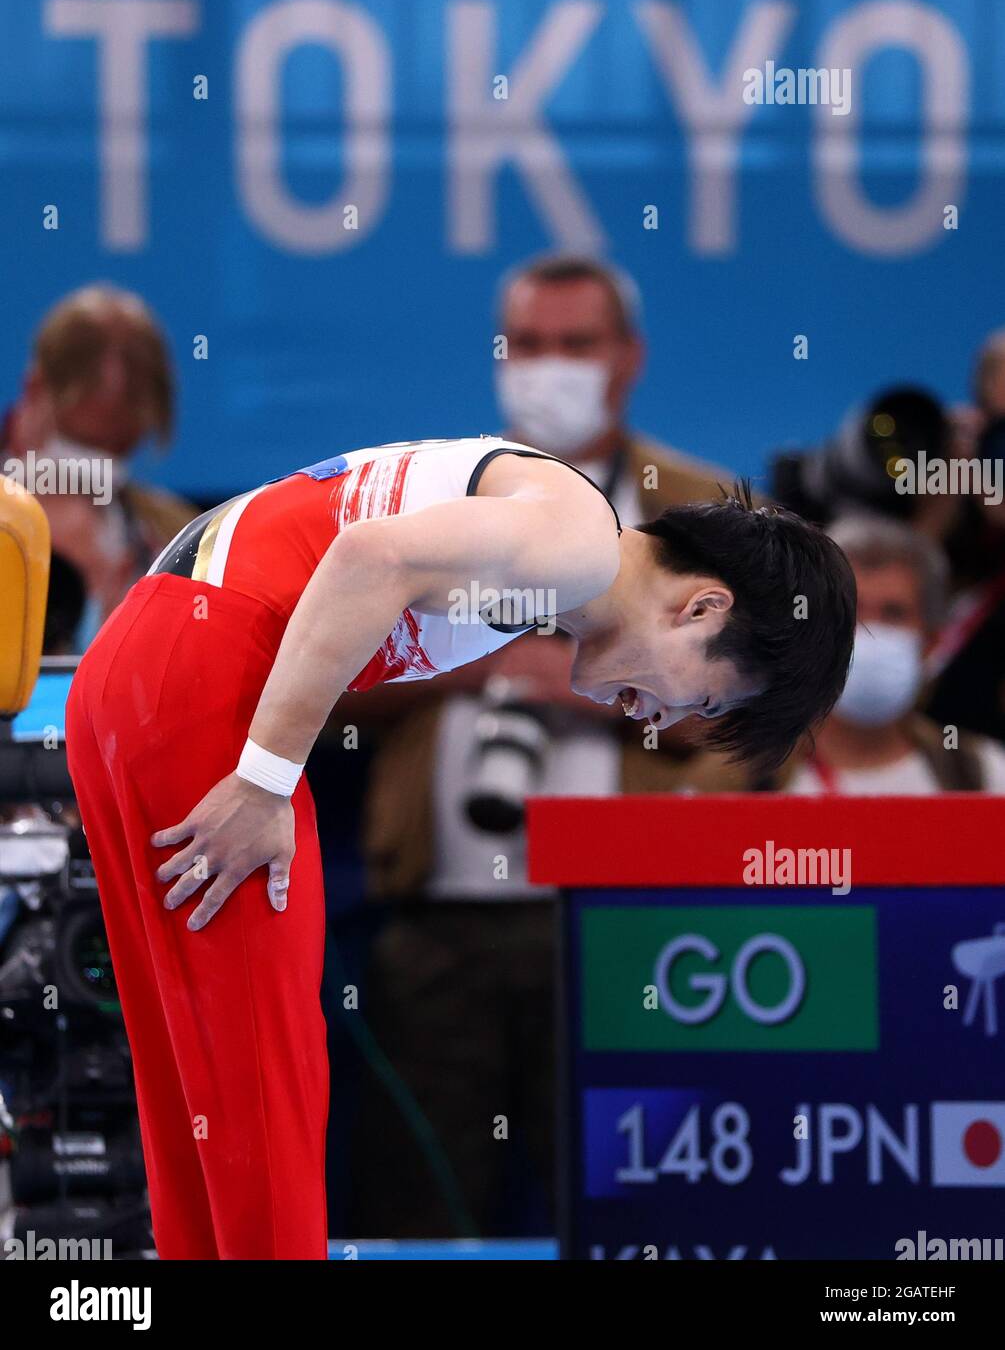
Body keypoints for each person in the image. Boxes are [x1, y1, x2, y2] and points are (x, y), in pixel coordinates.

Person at [64, 434, 856, 1259]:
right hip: (203, 672)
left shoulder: (548, 546)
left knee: (191, 1075)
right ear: (703, 607)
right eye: (705, 695)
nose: (664, 721)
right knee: (264, 1076)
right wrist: (264, 778)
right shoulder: (579, 545)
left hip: (132, 671)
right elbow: (369, 556)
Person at [350, 255, 742, 1237]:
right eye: (529, 344)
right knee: (420, 1211)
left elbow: (751, 708)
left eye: (577, 343)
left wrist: (597, 674)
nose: (550, 365)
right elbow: (341, 673)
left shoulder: (703, 512)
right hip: (436, 920)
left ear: (629, 358)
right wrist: (491, 662)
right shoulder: (428, 497)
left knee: (626, 1208)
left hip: (623, 924)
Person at [685, 514, 1005, 795]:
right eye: (852, 611)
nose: (869, 631)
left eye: (893, 613)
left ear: (933, 641)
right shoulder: (732, 781)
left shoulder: (982, 775)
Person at [2, 284, 197, 644]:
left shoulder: (178, 537)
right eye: (80, 447)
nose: (97, 475)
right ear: (34, 391)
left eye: (116, 449)